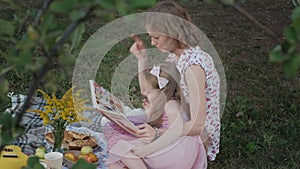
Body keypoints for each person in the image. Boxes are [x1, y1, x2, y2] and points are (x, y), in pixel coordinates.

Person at [130, 0, 221, 161]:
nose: (152, 42)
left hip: (197, 139)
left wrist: (158, 134)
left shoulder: (193, 67)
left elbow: (198, 125)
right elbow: (148, 91)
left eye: (156, 37)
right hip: (180, 123)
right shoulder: (178, 56)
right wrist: (141, 59)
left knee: (135, 151)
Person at [104, 62, 207, 169]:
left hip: (176, 153)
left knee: (119, 148)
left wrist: (148, 149)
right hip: (174, 148)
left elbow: (176, 131)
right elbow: (164, 124)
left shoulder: (171, 105)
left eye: (149, 92)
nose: (146, 94)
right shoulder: (167, 103)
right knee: (114, 163)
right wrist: (150, 112)